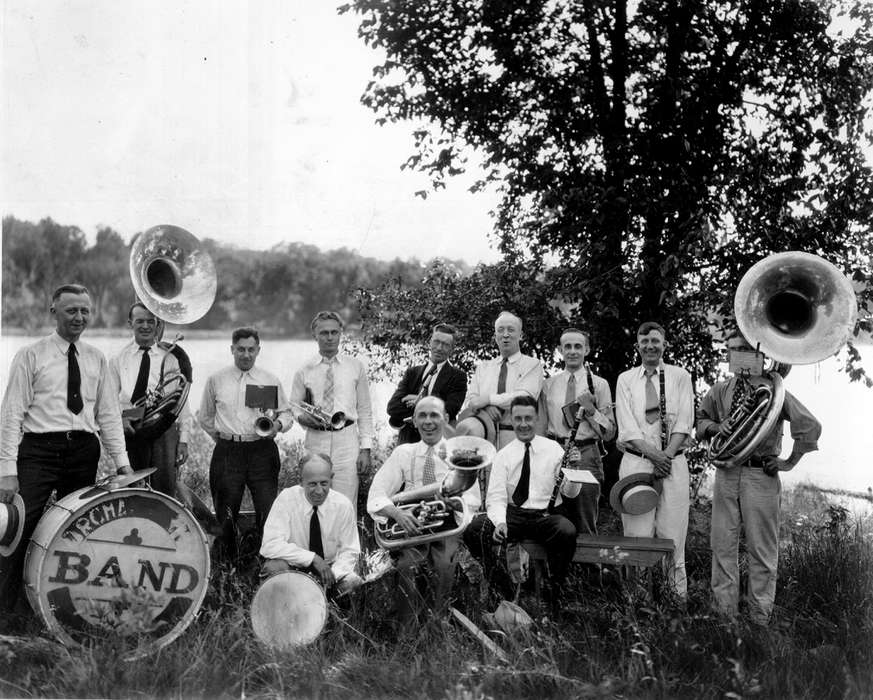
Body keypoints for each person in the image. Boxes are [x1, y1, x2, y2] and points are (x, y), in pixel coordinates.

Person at [0, 284, 132, 616]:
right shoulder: (30, 355)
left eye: (85, 311)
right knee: (16, 531)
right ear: (54, 311)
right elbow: (11, 414)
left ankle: (65, 610)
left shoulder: (96, 358)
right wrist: (6, 471)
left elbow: (108, 416)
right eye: (71, 310)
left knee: (77, 533)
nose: (79, 317)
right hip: (38, 451)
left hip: (83, 452)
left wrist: (123, 464)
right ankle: (8, 614)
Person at [697, 330, 821, 624]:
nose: (737, 354)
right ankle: (723, 616)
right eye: (732, 349)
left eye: (744, 348)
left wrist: (788, 462)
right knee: (722, 545)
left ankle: (759, 619)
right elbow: (701, 420)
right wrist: (717, 428)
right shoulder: (720, 390)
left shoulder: (774, 390)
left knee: (762, 549)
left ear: (758, 354)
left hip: (760, 476)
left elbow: (810, 425)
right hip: (726, 473)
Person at [368, 396, 479, 618]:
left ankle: (438, 627)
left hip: (445, 523)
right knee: (406, 566)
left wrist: (454, 503)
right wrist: (395, 512)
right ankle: (407, 636)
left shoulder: (459, 455)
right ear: (414, 422)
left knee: (445, 566)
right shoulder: (403, 453)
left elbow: (473, 500)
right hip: (411, 525)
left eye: (434, 415)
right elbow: (376, 494)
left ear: (446, 419)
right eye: (422, 416)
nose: (428, 421)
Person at [463, 395, 581, 595]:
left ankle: (555, 592)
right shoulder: (503, 455)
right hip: (514, 515)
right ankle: (500, 585)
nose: (523, 424)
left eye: (528, 418)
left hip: (545, 516)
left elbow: (569, 493)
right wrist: (500, 522)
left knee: (566, 530)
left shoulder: (553, 449)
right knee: (474, 529)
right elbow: (496, 498)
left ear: (537, 419)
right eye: (518, 419)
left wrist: (574, 470)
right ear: (512, 420)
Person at [614, 321, 694, 600]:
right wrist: (654, 456)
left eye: (655, 341)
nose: (650, 346)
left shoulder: (680, 376)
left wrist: (666, 457)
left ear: (665, 345)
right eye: (644, 341)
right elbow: (627, 427)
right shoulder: (625, 379)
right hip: (637, 462)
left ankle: (675, 600)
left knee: (673, 535)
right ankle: (638, 602)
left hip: (673, 464)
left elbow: (685, 421)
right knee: (637, 535)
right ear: (637, 346)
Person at [198, 327, 293, 555]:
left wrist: (277, 427)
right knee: (225, 514)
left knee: (267, 511)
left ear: (258, 350)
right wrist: (223, 437)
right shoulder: (216, 379)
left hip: (262, 451)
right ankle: (227, 566)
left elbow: (287, 414)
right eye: (240, 349)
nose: (246, 354)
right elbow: (205, 417)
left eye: (251, 349)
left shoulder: (270, 379)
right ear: (232, 349)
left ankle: (265, 563)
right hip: (228, 452)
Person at [291, 311, 374, 513]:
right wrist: (304, 418)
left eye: (334, 332)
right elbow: (293, 405)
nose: (329, 337)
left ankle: (347, 545)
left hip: (347, 442)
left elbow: (364, 410)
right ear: (315, 335)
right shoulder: (304, 370)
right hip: (316, 440)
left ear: (341, 334)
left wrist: (365, 449)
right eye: (324, 333)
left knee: (346, 505)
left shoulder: (355, 367)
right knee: (314, 503)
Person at [109, 302, 193, 497]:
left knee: (164, 488)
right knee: (132, 486)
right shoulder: (118, 358)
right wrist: (120, 420)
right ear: (130, 323)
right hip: (131, 429)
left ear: (158, 324)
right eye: (140, 321)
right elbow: (109, 400)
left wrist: (184, 440)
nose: (145, 326)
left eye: (150, 321)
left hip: (163, 430)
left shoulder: (170, 357)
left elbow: (180, 401)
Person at [538, 328, 615, 534]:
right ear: (560, 351)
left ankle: (589, 567)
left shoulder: (599, 385)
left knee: (585, 521)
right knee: (554, 519)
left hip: (586, 454)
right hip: (554, 451)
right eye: (568, 347)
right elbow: (542, 426)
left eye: (578, 346)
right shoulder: (548, 385)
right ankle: (559, 567)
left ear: (587, 350)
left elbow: (609, 433)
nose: (572, 351)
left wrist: (590, 410)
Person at [260, 452, 362, 593]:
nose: (319, 491)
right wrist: (312, 558)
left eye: (324, 483)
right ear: (300, 481)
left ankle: (331, 610)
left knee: (353, 582)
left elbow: (350, 550)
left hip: (330, 570)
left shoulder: (343, 505)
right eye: (312, 484)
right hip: (294, 567)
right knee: (274, 568)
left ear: (331, 478)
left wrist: (333, 575)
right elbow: (269, 545)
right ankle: (285, 610)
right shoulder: (286, 499)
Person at [459, 311, 544, 451]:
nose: (505, 334)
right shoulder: (483, 368)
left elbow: (524, 397)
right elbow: (471, 400)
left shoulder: (532, 365)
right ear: (495, 336)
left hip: (517, 438)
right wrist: (485, 407)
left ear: (521, 335)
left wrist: (488, 399)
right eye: (500, 330)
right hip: (485, 438)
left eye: (511, 330)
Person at [386, 323, 467, 445]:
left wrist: (421, 400)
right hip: (408, 442)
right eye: (436, 342)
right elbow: (393, 407)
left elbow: (450, 410)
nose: (439, 348)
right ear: (430, 342)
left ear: (452, 349)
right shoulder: (412, 373)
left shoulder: (457, 377)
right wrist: (433, 407)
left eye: (445, 345)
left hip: (438, 443)